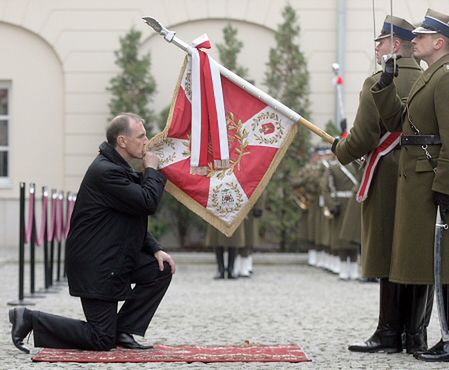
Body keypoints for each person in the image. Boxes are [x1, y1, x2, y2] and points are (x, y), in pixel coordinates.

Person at [9, 113, 176, 353]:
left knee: (160, 269)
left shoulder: (118, 168)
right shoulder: (106, 171)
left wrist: (156, 249)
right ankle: (29, 318)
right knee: (101, 340)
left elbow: (131, 216)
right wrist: (151, 170)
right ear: (122, 141)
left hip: (114, 258)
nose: (146, 141)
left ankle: (123, 330)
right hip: (97, 266)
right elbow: (147, 203)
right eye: (141, 136)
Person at [332, 15, 430, 354]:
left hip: (387, 173)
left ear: (397, 44)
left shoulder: (378, 81)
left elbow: (360, 138)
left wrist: (339, 149)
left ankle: (388, 332)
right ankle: (414, 334)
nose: (376, 47)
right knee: (416, 254)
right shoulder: (425, 77)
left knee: (389, 252)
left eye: (382, 41)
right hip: (421, 172)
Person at [371, 9, 449, 362]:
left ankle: (446, 337)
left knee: (440, 263)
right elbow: (401, 121)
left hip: (431, 174)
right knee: (424, 261)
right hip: (417, 174)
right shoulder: (428, 76)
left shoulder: (445, 77)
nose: (413, 40)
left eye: (421, 36)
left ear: (439, 42)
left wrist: (445, 184)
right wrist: (385, 86)